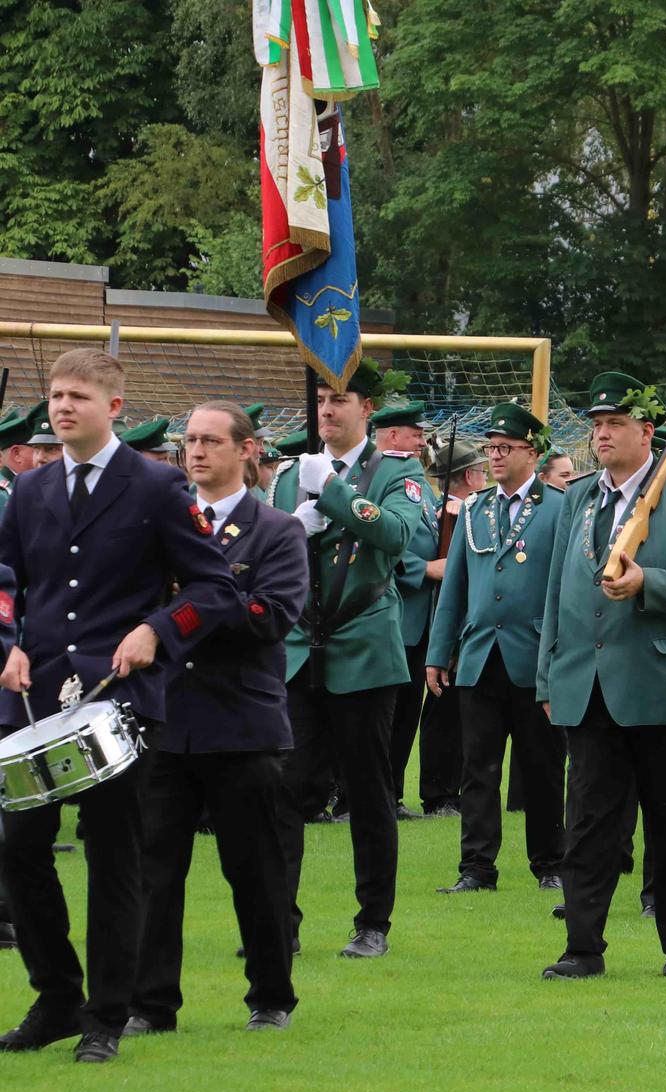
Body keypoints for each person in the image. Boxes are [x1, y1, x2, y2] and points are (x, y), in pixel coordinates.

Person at [0, 350, 240, 1063]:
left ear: (114, 406)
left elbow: (216, 590)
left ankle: (107, 1015)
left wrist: (156, 631)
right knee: (17, 851)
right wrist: (7, 644)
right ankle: (56, 995)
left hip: (119, 703)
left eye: (77, 395)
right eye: (55, 395)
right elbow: (7, 583)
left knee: (113, 856)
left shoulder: (158, 486)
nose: (61, 407)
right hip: (36, 695)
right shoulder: (31, 490)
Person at [536, 370, 666, 979]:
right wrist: (548, 675)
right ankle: (582, 947)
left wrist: (649, 581)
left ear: (647, 432)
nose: (601, 435)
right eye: (595, 426)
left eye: (615, 424)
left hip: (662, 688)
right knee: (590, 825)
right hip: (588, 686)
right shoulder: (579, 497)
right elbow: (556, 594)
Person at [126, 401, 307, 1035]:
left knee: (255, 871)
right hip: (165, 720)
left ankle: (270, 997)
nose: (195, 452)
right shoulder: (160, 528)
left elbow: (271, 620)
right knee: (155, 873)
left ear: (246, 450)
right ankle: (150, 1006)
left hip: (240, 726)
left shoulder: (276, 530)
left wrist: (184, 610)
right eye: (189, 441)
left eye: (210, 441)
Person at [269, 358, 427, 960]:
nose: (328, 410)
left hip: (361, 647)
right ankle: (278, 918)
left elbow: (399, 537)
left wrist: (331, 494)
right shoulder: (290, 477)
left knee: (368, 791)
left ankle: (373, 923)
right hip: (299, 651)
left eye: (342, 399)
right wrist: (291, 524)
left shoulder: (396, 471)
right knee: (283, 790)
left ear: (367, 410)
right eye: (323, 401)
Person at [425, 403, 567, 895]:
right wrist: (437, 652)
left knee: (542, 768)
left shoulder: (559, 507)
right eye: (491, 449)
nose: (495, 457)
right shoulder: (476, 509)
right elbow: (456, 585)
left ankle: (550, 862)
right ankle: (476, 868)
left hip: (533, 656)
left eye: (506, 448)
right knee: (477, 769)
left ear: (533, 451)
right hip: (480, 655)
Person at [385, 409, 473, 821]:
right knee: (387, 717)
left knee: (405, 717)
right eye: (415, 434)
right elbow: (386, 550)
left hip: (422, 622)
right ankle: (376, 794)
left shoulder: (418, 488)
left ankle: (394, 795)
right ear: (391, 434)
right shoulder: (379, 482)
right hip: (396, 618)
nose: (422, 442)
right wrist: (427, 570)